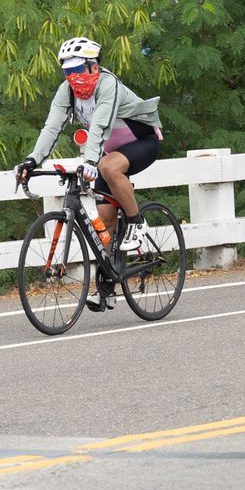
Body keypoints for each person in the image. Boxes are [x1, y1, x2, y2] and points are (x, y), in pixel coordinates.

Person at [16, 38, 165, 306]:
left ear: (93, 66)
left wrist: (90, 161)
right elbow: (52, 127)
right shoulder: (66, 92)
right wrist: (32, 160)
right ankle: (107, 287)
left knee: (107, 167)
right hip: (109, 151)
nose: (73, 76)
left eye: (77, 69)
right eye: (67, 71)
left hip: (142, 142)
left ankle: (136, 222)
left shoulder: (108, 84)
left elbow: (100, 126)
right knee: (105, 220)